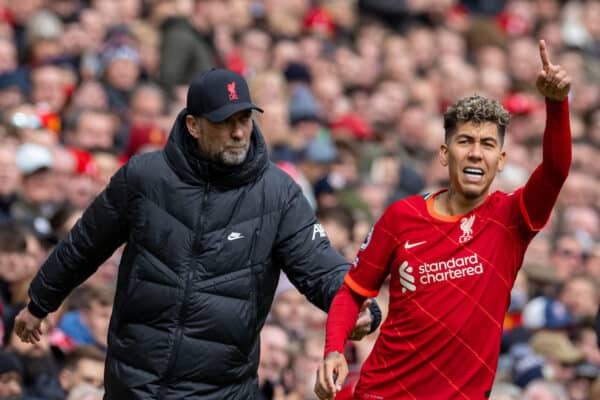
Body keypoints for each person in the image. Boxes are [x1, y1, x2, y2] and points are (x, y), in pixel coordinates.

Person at [13, 67, 380, 399]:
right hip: (136, 382)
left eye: (245, 119)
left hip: (222, 389)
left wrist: (358, 305)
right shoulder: (144, 177)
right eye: (225, 122)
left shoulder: (279, 194)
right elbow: (84, 244)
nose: (238, 132)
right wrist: (39, 302)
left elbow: (319, 266)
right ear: (193, 125)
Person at [315, 40, 572, 399]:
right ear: (444, 153)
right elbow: (352, 292)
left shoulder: (512, 219)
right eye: (465, 141)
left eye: (487, 145)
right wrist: (333, 351)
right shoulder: (402, 217)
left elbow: (557, 170)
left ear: (500, 160)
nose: (475, 153)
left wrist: (556, 104)